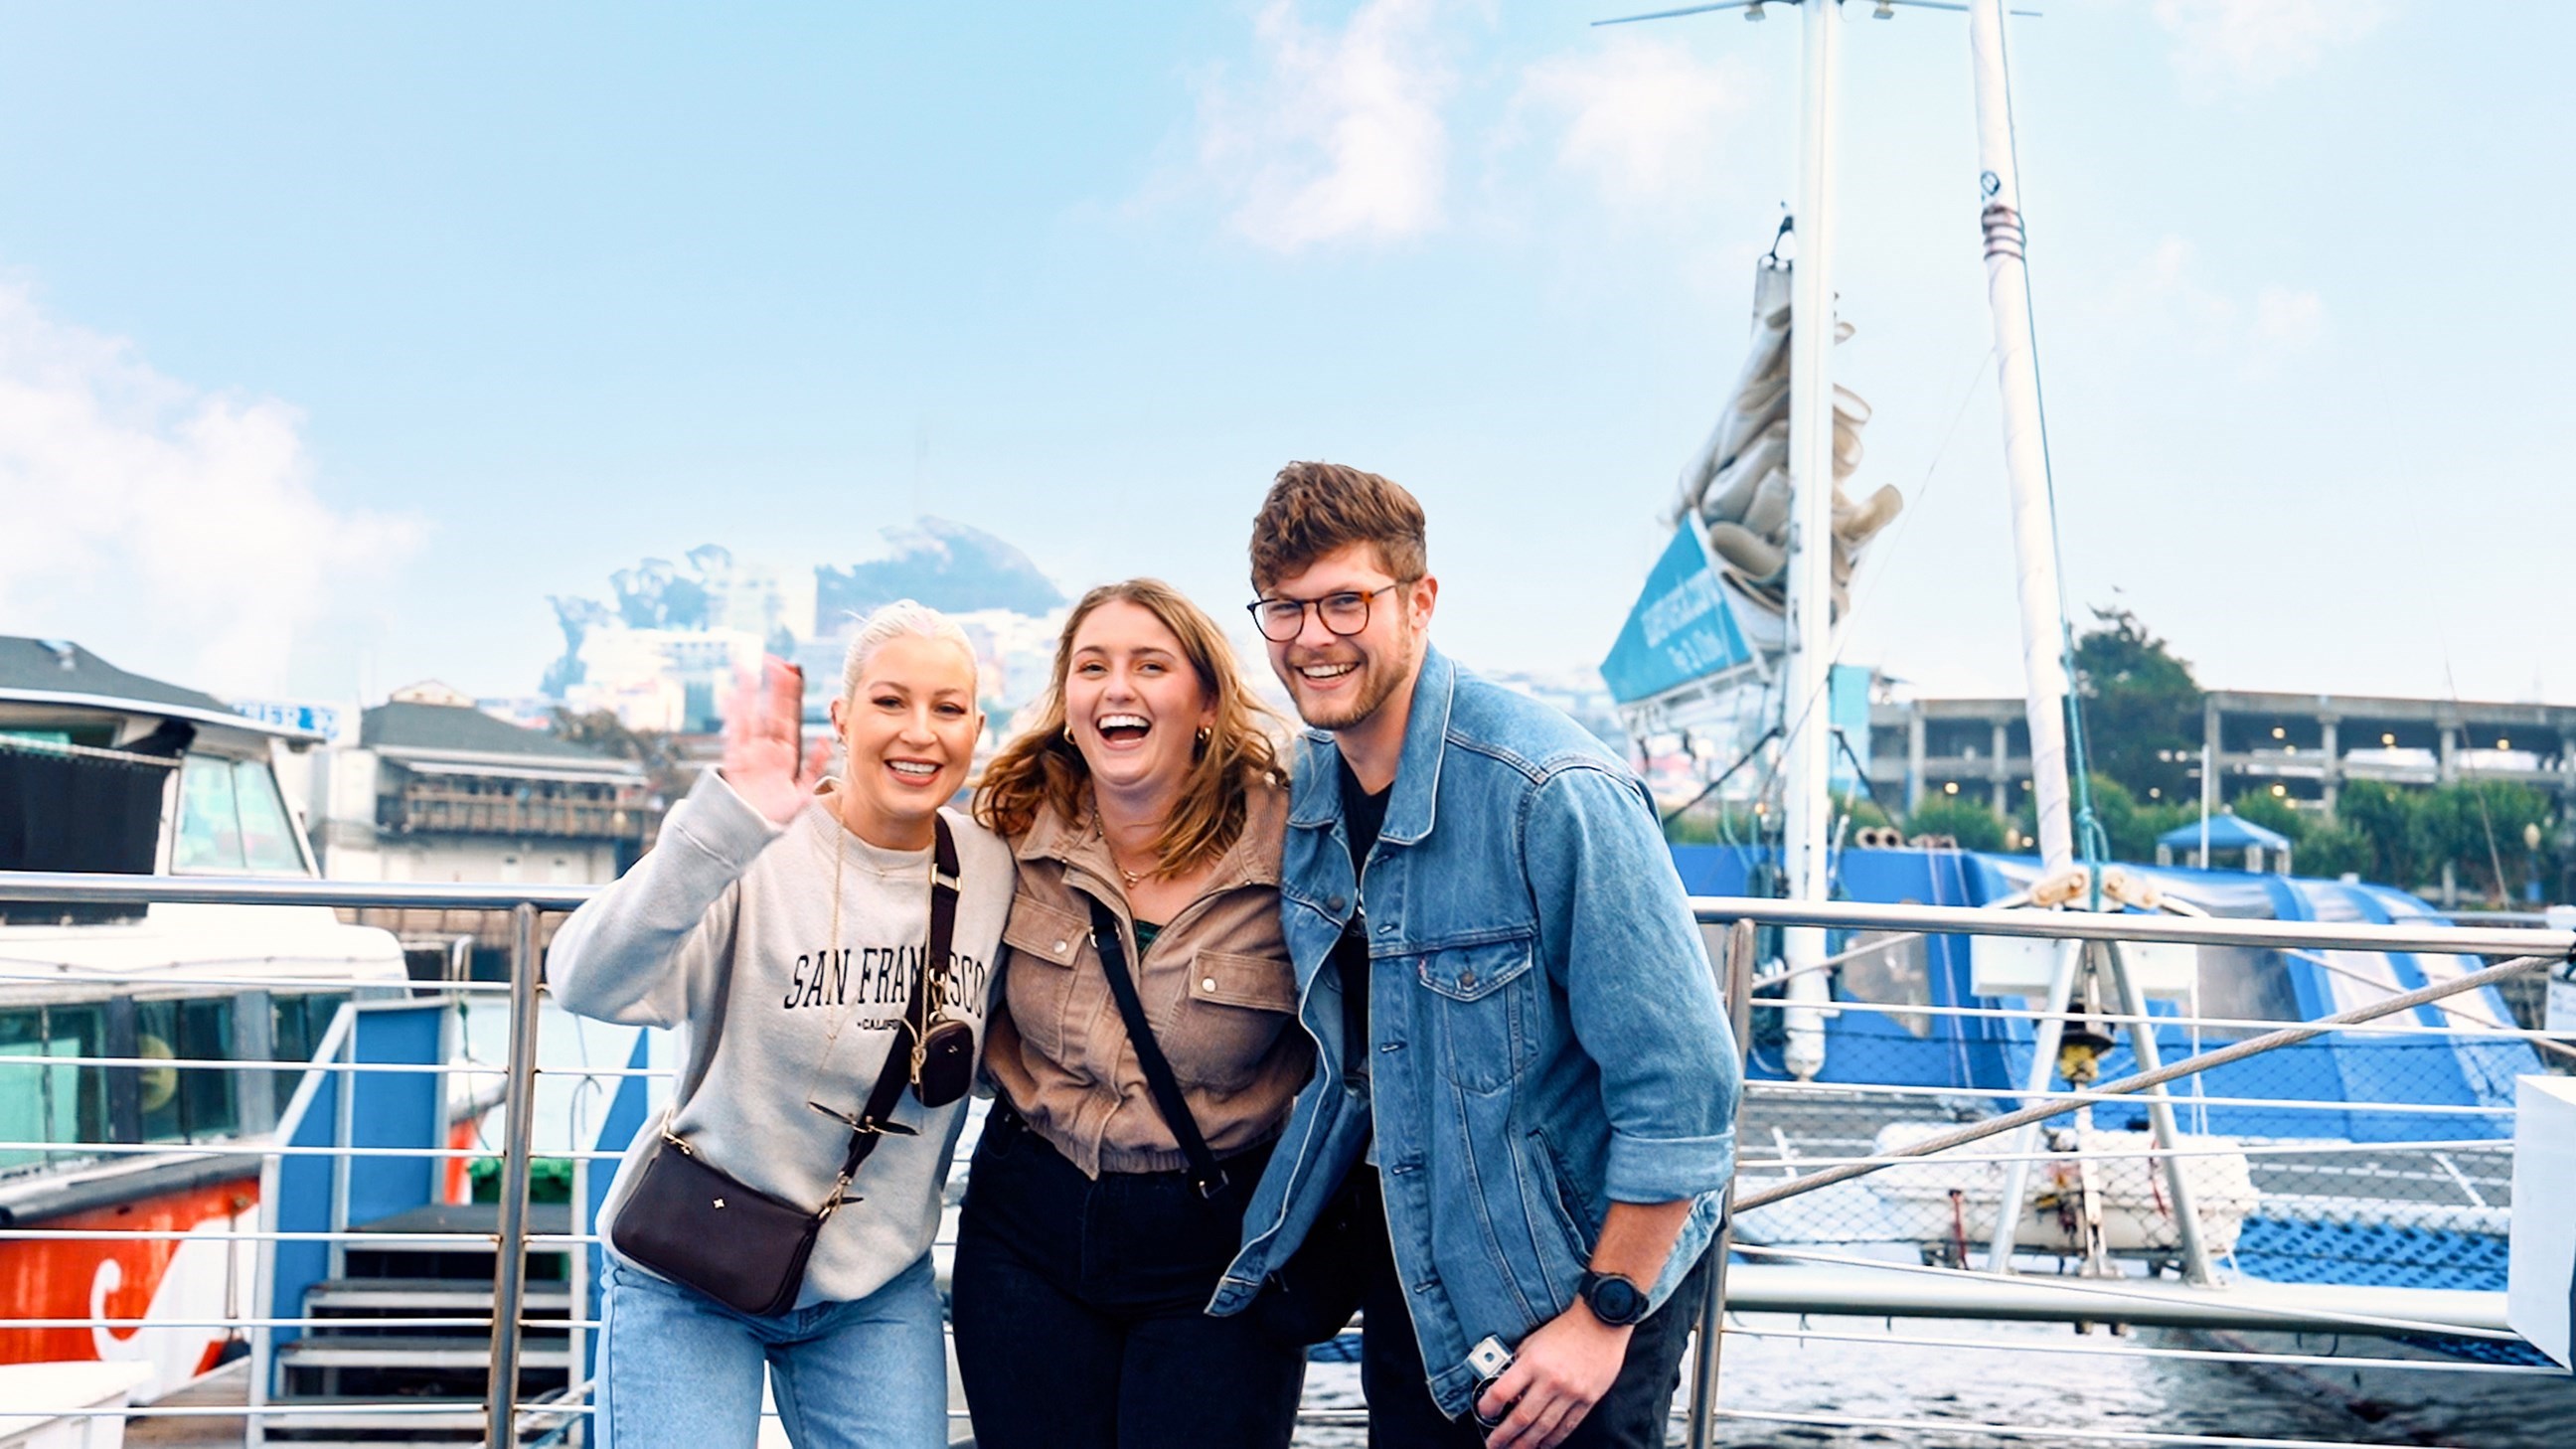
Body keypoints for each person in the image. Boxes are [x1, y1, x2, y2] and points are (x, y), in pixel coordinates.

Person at [1208, 462, 1744, 1449]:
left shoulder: (1549, 790)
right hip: (1426, 1274)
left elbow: (1687, 1086)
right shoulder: (1316, 790)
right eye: (1284, 608)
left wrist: (1602, 1317)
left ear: (1419, 604)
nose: (1311, 637)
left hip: (1573, 1298)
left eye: (1344, 602)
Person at [549, 600, 1013, 1449]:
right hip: (692, 1266)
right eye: (889, 702)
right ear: (840, 718)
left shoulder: (990, 868)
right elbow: (583, 982)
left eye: (948, 709)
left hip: (872, 1286)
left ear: (977, 729)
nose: (920, 733)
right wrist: (718, 827)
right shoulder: (755, 850)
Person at [952, 578, 1310, 1449]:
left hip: (1217, 1241)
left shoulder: (1297, 843)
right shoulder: (1013, 829)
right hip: (1028, 1226)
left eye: (1152, 665)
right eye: (1093, 667)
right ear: (1069, 704)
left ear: (1207, 704)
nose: (1119, 687)